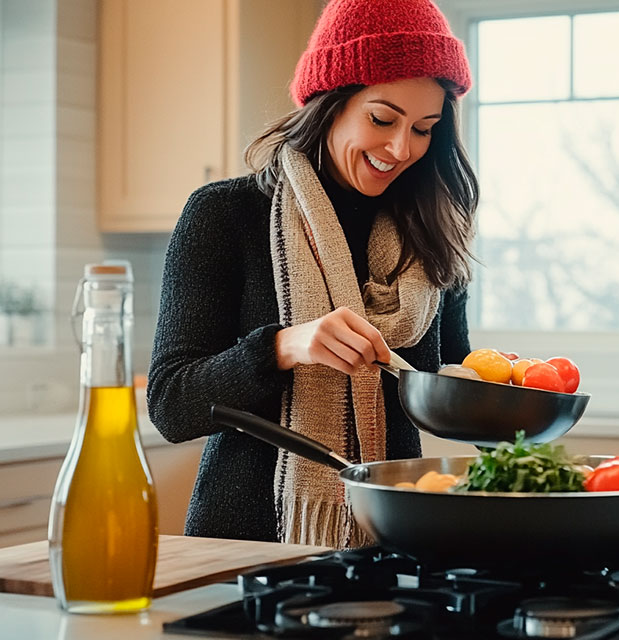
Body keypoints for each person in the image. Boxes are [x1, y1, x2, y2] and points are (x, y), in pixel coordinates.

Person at [147, 0, 477, 548]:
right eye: (381, 118)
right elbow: (170, 403)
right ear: (331, 102)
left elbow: (443, 387)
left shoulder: (433, 232)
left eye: (424, 129)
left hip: (393, 542)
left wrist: (504, 392)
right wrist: (282, 347)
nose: (401, 149)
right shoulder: (225, 214)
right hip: (248, 545)